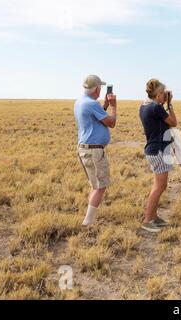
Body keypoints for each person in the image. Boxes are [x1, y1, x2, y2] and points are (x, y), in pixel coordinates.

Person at [74, 75, 117, 226]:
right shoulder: (92, 104)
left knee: (95, 185)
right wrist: (113, 106)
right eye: (101, 87)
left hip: (84, 149)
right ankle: (88, 223)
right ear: (97, 88)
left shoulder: (80, 102)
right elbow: (111, 123)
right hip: (94, 151)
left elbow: (97, 119)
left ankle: (88, 218)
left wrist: (104, 105)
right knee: (100, 186)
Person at [139, 79, 178, 233]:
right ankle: (148, 220)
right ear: (157, 95)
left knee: (158, 186)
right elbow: (173, 122)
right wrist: (170, 105)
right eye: (162, 93)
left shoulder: (145, 106)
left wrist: (163, 104)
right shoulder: (156, 108)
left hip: (153, 149)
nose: (164, 95)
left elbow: (159, 121)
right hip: (159, 151)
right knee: (159, 186)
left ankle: (153, 216)